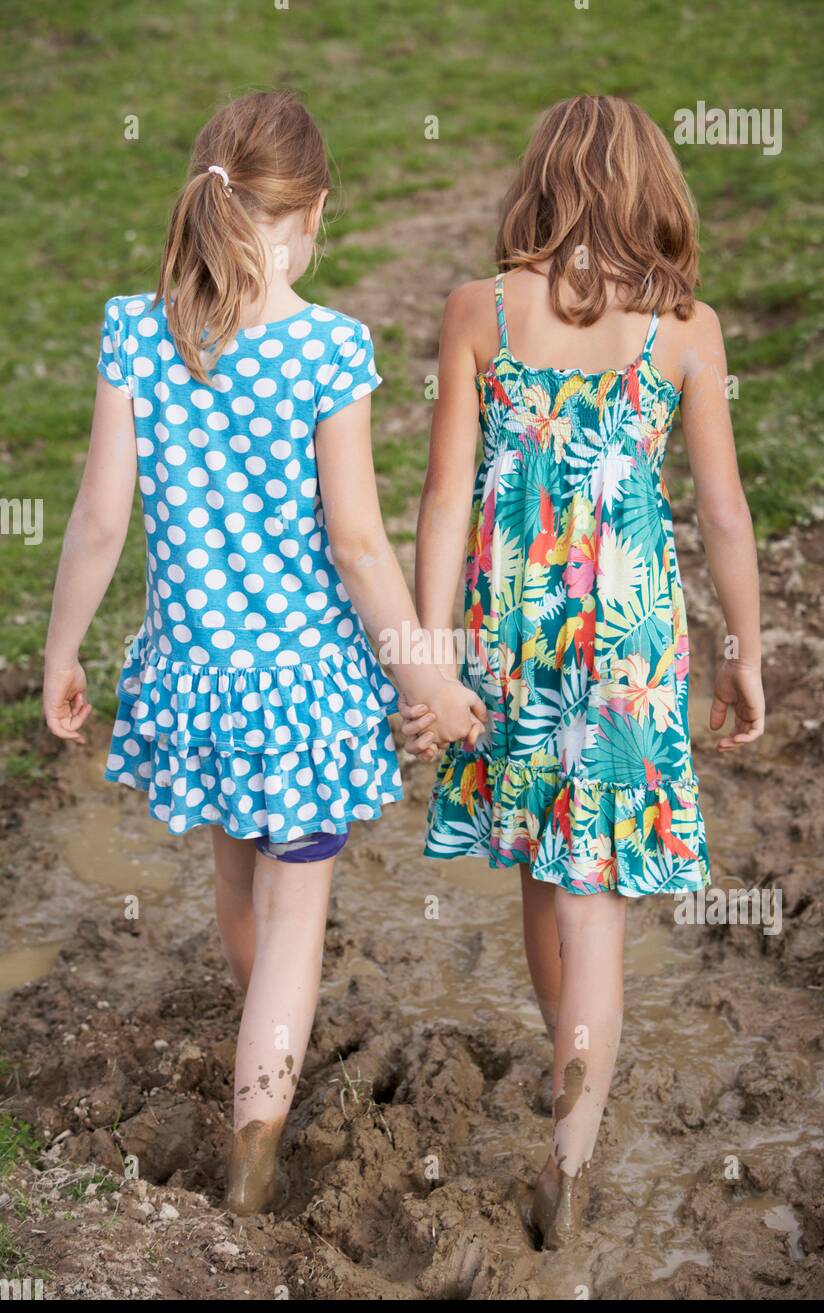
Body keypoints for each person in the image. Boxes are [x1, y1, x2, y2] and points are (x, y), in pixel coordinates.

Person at [43, 91, 484, 1216]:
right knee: (296, 926)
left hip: (191, 680)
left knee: (237, 876)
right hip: (302, 698)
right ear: (313, 213)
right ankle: (252, 1160)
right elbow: (356, 544)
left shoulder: (136, 330)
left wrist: (61, 647)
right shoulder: (328, 349)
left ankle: (262, 1043)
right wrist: (426, 673)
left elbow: (99, 517)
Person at [400, 95, 764, 1249]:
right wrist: (746, 652)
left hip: (508, 628)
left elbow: (442, 497)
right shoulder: (682, 330)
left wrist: (426, 652)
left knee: (533, 861)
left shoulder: (477, 312)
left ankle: (570, 1062)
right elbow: (720, 513)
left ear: (539, 186)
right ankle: (575, 1140)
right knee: (593, 892)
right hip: (625, 649)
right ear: (652, 192)